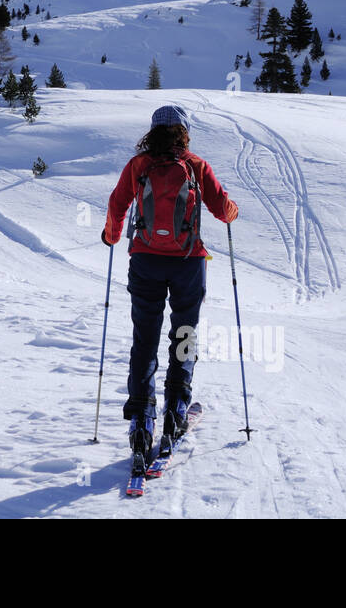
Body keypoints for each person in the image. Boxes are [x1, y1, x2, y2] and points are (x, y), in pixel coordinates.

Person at [101, 104, 238, 458]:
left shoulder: (139, 165)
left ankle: (142, 419)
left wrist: (112, 236)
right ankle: (176, 409)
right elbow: (223, 209)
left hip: (145, 260)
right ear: (184, 131)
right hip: (188, 263)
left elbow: (117, 205)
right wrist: (233, 210)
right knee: (185, 334)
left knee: (144, 338)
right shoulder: (195, 165)